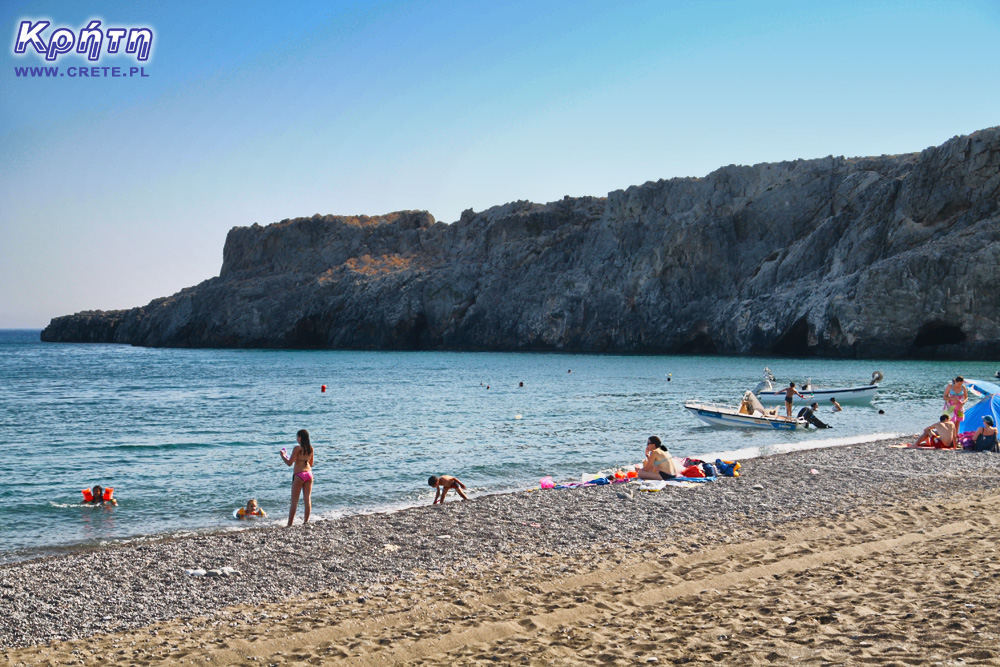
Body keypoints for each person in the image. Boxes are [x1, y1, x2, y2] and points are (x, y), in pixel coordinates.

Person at [280, 429, 314, 526]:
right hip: (309, 474)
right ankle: (306, 522)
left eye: (297, 437)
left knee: (294, 501)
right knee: (307, 500)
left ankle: (290, 524)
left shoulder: (297, 448)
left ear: (300, 437)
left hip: (299, 475)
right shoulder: (311, 448)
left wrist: (283, 456)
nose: (296, 439)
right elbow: (311, 464)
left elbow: (289, 463)